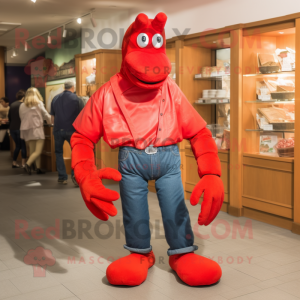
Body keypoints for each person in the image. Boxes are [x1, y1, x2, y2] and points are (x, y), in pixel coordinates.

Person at [71, 13, 224, 287]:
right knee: (134, 209)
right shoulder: (108, 92)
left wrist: (211, 173)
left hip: (168, 159)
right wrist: (85, 174)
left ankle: (182, 253)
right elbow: (82, 135)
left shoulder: (171, 89)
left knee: (175, 208)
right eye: (143, 41)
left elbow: (199, 131)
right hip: (131, 161)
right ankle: (140, 253)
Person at [51, 80, 84, 186]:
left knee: (59, 153)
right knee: (75, 153)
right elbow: (82, 116)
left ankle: (62, 177)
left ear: (64, 87)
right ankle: (75, 177)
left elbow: (52, 117)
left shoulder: (55, 98)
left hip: (57, 130)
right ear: (73, 87)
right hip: (72, 131)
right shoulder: (77, 99)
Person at [19, 88, 51, 175]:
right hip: (37, 128)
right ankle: (27, 164)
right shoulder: (39, 103)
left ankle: (38, 168)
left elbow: (21, 117)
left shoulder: (22, 105)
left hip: (26, 129)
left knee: (33, 151)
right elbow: (45, 114)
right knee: (38, 151)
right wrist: (51, 121)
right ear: (37, 94)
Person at [8, 90, 27, 168]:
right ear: (23, 97)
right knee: (23, 146)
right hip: (20, 128)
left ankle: (14, 163)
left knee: (18, 146)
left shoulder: (12, 105)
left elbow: (9, 117)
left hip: (12, 128)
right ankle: (23, 164)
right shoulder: (23, 105)